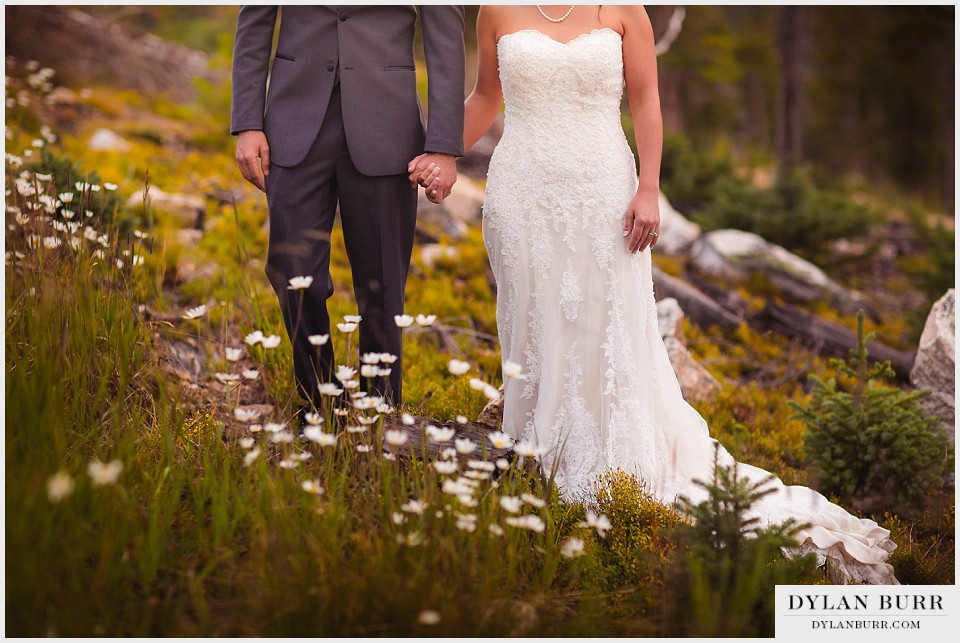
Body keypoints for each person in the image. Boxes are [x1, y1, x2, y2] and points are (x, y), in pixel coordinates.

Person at [458, 4, 898, 584]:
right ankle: (538, 452)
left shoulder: (621, 9)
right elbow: (486, 98)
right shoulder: (498, 8)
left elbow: (645, 99)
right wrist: (437, 150)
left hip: (602, 192)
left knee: (603, 326)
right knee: (533, 326)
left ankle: (606, 467)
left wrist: (648, 188)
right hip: (521, 194)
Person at [231, 6, 465, 414]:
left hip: (388, 125)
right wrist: (248, 122)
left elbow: (445, 36)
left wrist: (444, 146)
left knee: (383, 288)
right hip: (292, 121)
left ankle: (379, 416)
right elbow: (254, 21)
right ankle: (318, 403)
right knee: (292, 274)